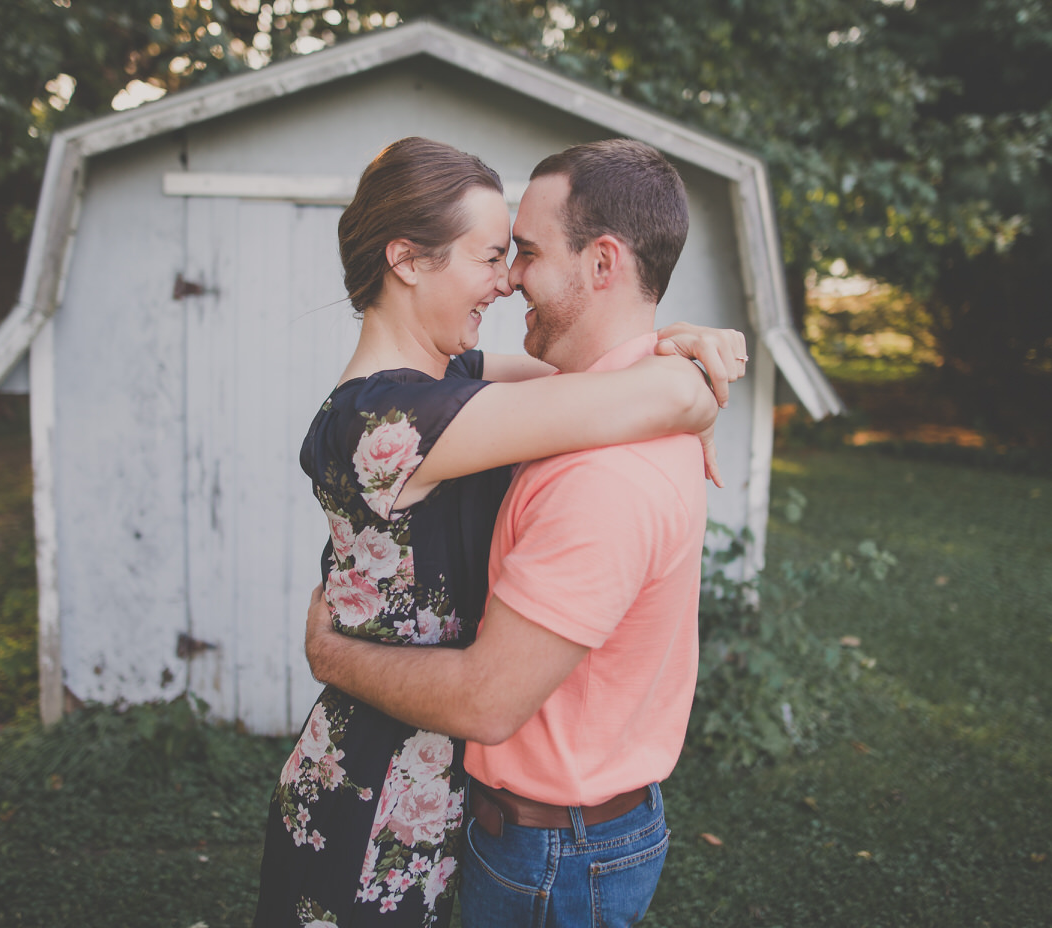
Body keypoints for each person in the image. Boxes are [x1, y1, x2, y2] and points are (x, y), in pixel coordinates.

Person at [252, 137, 744, 927]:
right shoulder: (381, 421)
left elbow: (593, 382)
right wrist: (692, 381)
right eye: (490, 257)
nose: (505, 281)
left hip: (442, 782)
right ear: (409, 261)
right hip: (378, 782)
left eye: (514, 254)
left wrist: (679, 346)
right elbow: (633, 400)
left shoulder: (458, 385)